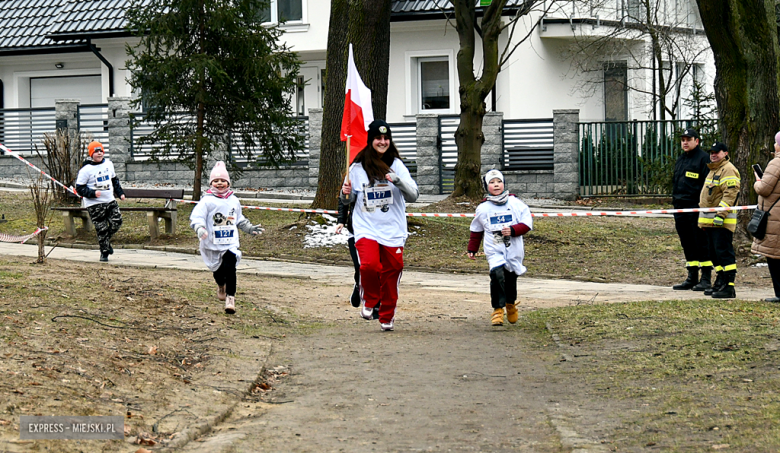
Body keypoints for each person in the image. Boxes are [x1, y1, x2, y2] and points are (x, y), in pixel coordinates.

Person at [340, 120, 418, 331]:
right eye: (378, 138)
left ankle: (387, 315)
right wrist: (344, 192)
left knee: (394, 270)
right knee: (369, 265)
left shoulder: (397, 165)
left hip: (393, 229)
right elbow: (347, 201)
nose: (382, 142)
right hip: (366, 226)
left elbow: (414, 195)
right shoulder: (356, 167)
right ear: (370, 140)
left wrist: (397, 181)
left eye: (386, 138)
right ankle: (370, 299)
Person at [190, 161, 263, 314]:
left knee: (230, 268)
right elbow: (197, 217)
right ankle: (221, 285)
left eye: (223, 180)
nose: (220, 183)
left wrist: (249, 228)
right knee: (218, 272)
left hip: (230, 243)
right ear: (211, 183)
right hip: (212, 244)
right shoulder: (207, 201)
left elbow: (239, 219)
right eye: (216, 181)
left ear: (228, 182)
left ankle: (231, 298)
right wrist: (199, 228)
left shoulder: (234, 200)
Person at [467, 169, 533, 326]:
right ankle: (497, 309)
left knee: (510, 277)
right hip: (494, 248)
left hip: (514, 248)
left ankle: (510, 305)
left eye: (499, 181)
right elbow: (476, 229)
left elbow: (527, 224)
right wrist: (472, 248)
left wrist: (513, 230)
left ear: (504, 184)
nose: (496, 185)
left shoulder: (516, 204)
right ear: (486, 186)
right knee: (497, 275)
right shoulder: (483, 208)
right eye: (492, 182)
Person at [671, 128, 713, 291]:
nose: (685, 142)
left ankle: (706, 278)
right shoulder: (681, 159)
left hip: (696, 209)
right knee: (687, 243)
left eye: (688, 139)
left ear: (697, 141)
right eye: (683, 140)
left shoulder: (703, 159)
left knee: (701, 243)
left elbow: (707, 186)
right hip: (680, 209)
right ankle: (692, 276)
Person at [698, 142, 740, 299]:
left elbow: (730, 194)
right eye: (711, 152)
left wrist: (720, 215)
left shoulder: (728, 169)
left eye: (717, 152)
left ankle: (729, 286)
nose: (713, 154)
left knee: (724, 253)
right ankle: (721, 281)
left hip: (721, 222)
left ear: (726, 153)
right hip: (709, 222)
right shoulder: (714, 170)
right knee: (714, 254)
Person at [75, 141, 126, 262]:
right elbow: (79, 188)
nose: (99, 153)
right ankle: (104, 253)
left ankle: (106, 243)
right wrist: (92, 193)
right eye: (96, 151)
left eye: (101, 151)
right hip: (94, 204)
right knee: (101, 229)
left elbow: (114, 180)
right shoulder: (85, 170)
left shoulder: (109, 164)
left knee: (117, 222)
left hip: (109, 201)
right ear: (91, 154)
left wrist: (120, 193)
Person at [335, 189, 380, 319]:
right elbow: (344, 199)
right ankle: (358, 283)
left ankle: (376, 303)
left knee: (377, 268)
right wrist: (341, 221)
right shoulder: (354, 175)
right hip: (356, 232)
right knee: (362, 267)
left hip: (379, 231)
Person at [751, 132, 780, 303]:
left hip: (775, 216)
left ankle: (779, 293)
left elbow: (764, 189)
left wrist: (757, 182)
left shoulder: (776, 163)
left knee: (774, 256)